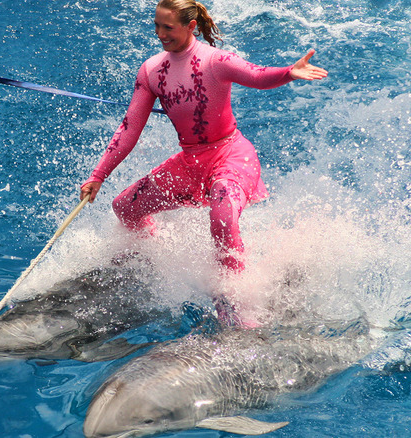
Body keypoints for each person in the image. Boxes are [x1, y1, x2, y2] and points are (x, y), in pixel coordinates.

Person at [80, 0, 327, 326]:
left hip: (231, 155)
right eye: (156, 26)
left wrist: (288, 73)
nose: (160, 34)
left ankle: (239, 307)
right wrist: (99, 175)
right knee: (125, 207)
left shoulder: (215, 60)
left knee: (222, 216)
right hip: (191, 162)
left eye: (167, 27)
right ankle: (150, 258)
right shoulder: (152, 71)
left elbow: (256, 75)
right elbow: (129, 129)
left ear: (190, 26)